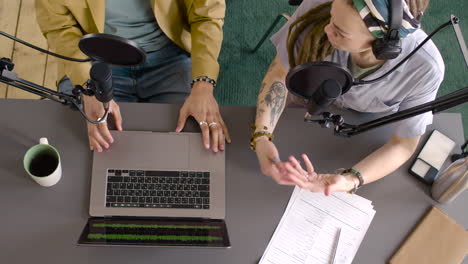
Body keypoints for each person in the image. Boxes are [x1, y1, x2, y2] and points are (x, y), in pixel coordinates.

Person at [252, 0, 443, 195]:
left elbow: (404, 144)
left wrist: (349, 179)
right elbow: (279, 73)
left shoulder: (425, 68)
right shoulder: (320, 7)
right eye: (332, 18)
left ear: (383, 44)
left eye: (341, 32)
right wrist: (261, 137)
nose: (327, 29)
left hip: (364, 125)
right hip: (302, 107)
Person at [36, 0, 230, 153]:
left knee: (191, 143)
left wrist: (203, 84)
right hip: (95, 61)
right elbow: (59, 28)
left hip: (170, 55)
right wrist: (89, 86)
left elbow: (207, 16)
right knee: (84, 146)